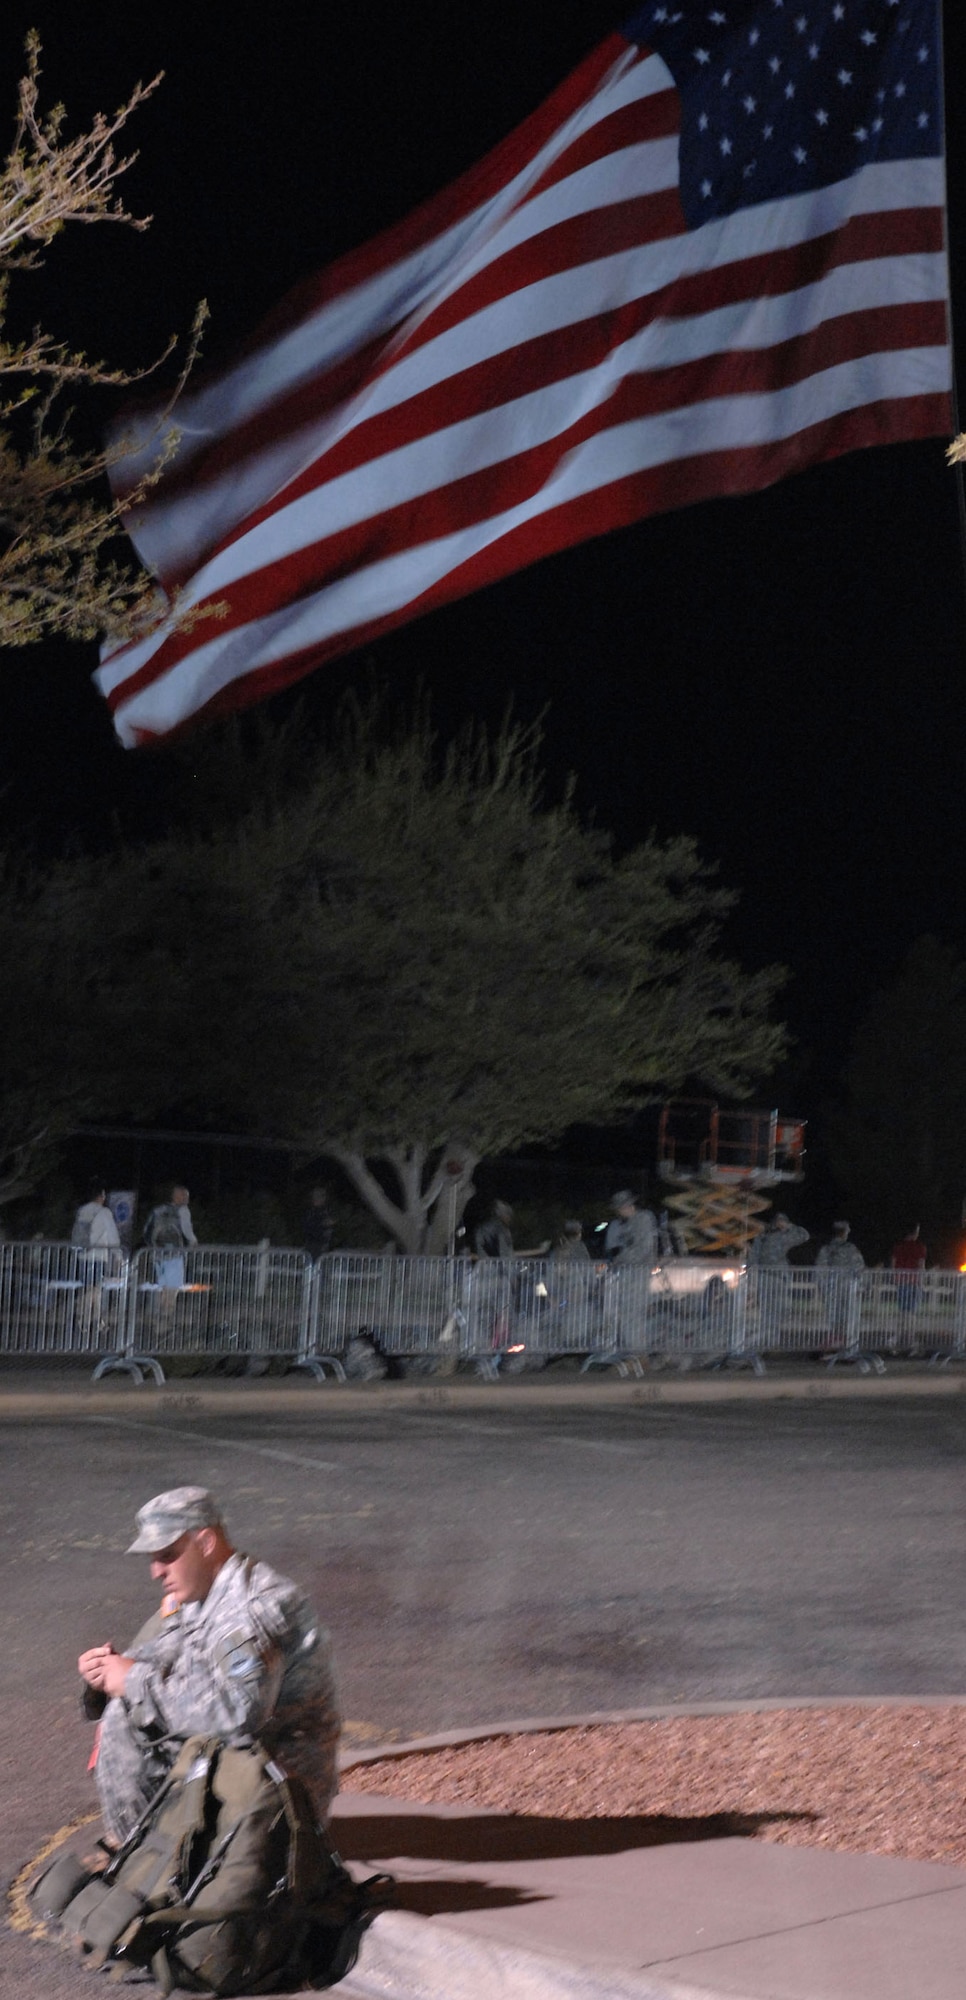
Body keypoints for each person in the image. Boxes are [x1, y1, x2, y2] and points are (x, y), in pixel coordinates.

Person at [78, 1486, 341, 1848]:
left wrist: (135, 1681)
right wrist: (111, 1669)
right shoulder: (205, 1592)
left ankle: (143, 1857)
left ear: (205, 1543)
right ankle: (141, 1855)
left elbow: (236, 1714)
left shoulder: (249, 1610)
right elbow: (173, 1645)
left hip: (280, 1791)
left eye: (168, 1555)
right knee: (126, 1707)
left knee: (128, 1719)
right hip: (244, 1764)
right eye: (154, 1558)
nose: (157, 1571)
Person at [71, 1182, 122, 1331]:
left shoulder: (82, 1211)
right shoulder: (104, 1212)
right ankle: (84, 1319)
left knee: (91, 1289)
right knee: (94, 1290)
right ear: (101, 1197)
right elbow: (112, 1235)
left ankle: (95, 1321)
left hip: (82, 1255)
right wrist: (117, 1255)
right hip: (98, 1256)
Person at [144, 1184, 197, 1291]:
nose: (187, 1199)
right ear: (177, 1196)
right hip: (175, 1256)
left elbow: (146, 1231)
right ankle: (169, 1308)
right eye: (185, 1196)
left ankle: (161, 1308)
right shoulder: (183, 1210)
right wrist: (194, 1242)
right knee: (173, 1291)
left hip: (157, 1255)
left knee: (162, 1290)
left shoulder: (157, 1210)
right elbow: (187, 1231)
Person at [603, 1190, 657, 1266]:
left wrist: (619, 1260)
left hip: (642, 1268)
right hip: (634, 1267)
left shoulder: (643, 1219)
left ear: (625, 1207)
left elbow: (643, 1248)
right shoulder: (630, 1221)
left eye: (618, 1209)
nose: (618, 1213)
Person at [746, 1212, 810, 1268]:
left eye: (782, 1221)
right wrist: (751, 1268)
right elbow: (754, 1252)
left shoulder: (788, 1236)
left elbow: (805, 1235)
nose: (780, 1223)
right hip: (764, 1272)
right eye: (778, 1220)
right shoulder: (765, 1235)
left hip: (780, 1272)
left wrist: (790, 1226)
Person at [891, 1224, 927, 1313]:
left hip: (901, 1281)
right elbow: (921, 1265)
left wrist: (894, 1278)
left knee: (902, 1309)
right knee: (912, 1310)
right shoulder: (920, 1247)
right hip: (914, 1281)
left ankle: (902, 1325)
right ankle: (910, 1326)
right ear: (915, 1232)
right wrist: (922, 1282)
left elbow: (893, 1264)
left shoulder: (898, 1247)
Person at [303, 1186, 334, 1260]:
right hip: (314, 1247)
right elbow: (309, 1228)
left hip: (324, 1247)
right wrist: (323, 1224)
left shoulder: (324, 1211)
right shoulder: (312, 1212)